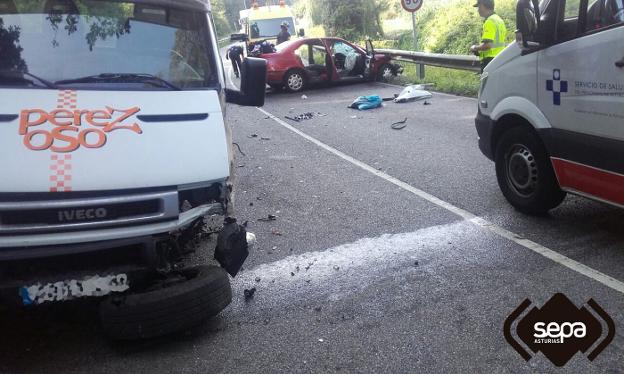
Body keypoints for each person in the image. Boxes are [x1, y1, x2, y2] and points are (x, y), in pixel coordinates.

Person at [470, 0, 507, 72]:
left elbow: (488, 45)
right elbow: (496, 43)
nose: (478, 10)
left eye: (478, 7)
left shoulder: (490, 21)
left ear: (483, 6)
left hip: (489, 61)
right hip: (500, 59)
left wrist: (474, 48)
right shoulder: (499, 20)